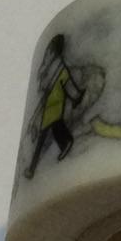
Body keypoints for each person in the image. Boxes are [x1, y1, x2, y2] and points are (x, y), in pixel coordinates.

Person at [24, 34, 84, 179]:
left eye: (50, 50)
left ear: (54, 51)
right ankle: (65, 143)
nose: (48, 53)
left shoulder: (57, 68)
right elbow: (68, 86)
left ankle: (32, 169)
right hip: (50, 106)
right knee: (54, 127)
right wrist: (76, 96)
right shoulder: (55, 68)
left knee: (47, 132)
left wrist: (76, 96)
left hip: (54, 106)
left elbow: (67, 85)